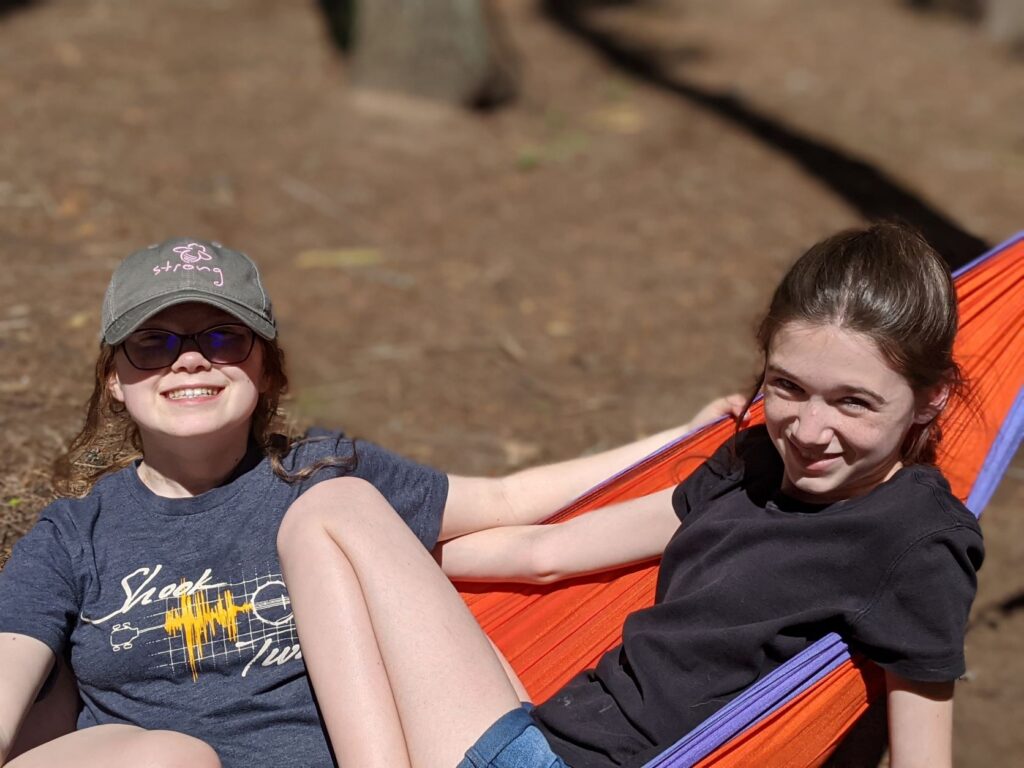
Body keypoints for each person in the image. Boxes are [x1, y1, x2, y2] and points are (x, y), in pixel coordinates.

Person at [0, 237, 742, 768]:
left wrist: (686, 444)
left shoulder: (324, 482)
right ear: (114, 380)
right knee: (172, 758)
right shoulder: (76, 534)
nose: (189, 358)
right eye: (151, 343)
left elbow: (514, 505)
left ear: (268, 368)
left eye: (223, 336)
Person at [274, 222, 984, 768]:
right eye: (787, 387)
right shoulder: (754, 458)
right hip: (544, 732)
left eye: (853, 403)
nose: (809, 429)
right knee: (333, 523)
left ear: (930, 400)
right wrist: (374, 574)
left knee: (331, 507)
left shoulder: (916, 540)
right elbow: (545, 552)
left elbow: (922, 755)